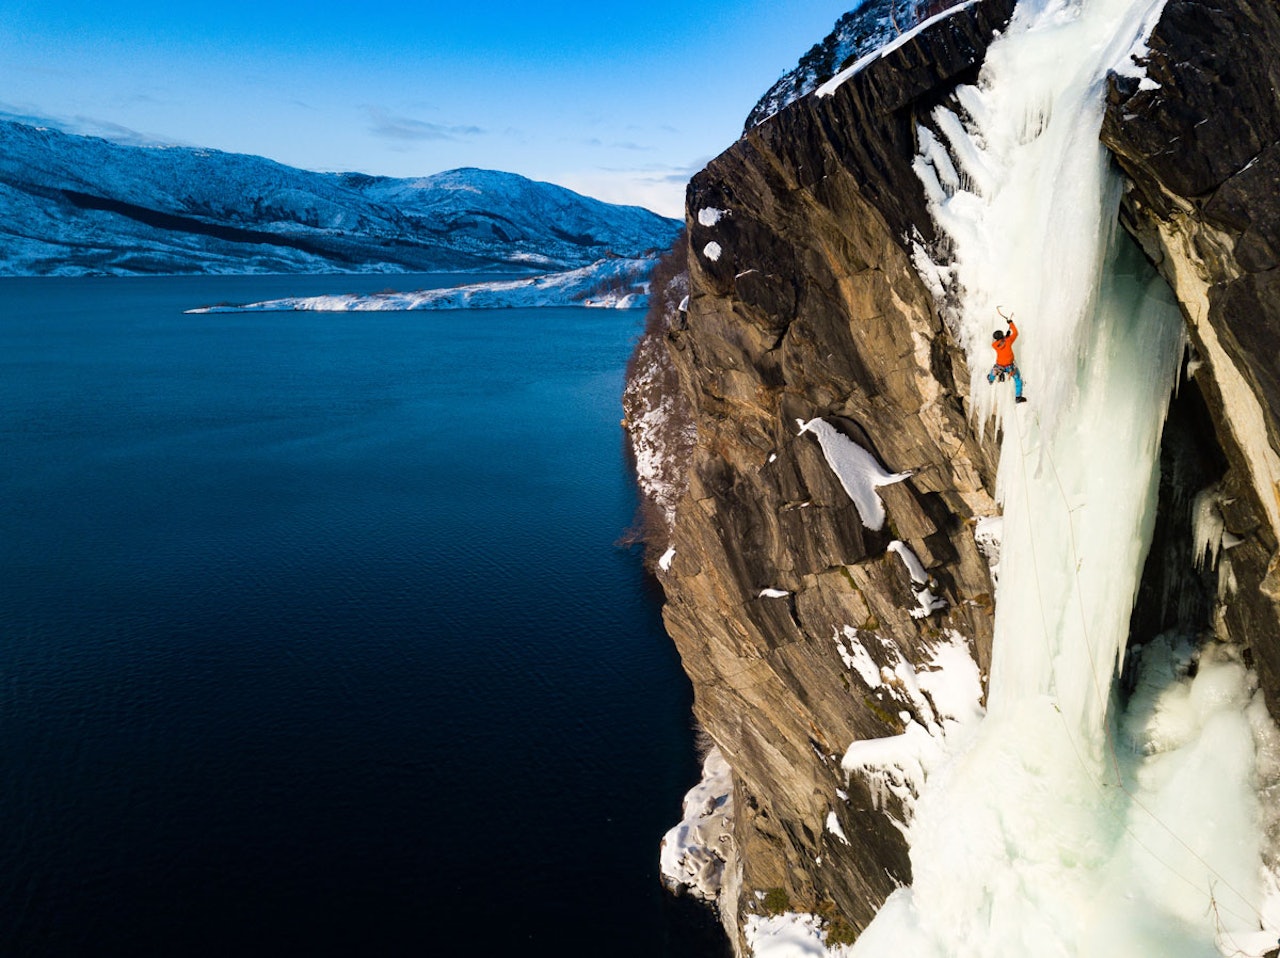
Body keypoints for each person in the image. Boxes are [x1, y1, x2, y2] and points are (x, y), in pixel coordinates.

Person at [987, 313, 1026, 403]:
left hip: (999, 366)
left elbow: (1000, 343)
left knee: (994, 370)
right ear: (1002, 336)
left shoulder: (994, 345)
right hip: (1010, 367)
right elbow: (1015, 333)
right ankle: (1018, 397)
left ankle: (991, 379)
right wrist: (1010, 323)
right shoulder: (1008, 341)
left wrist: (1005, 337)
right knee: (1018, 379)